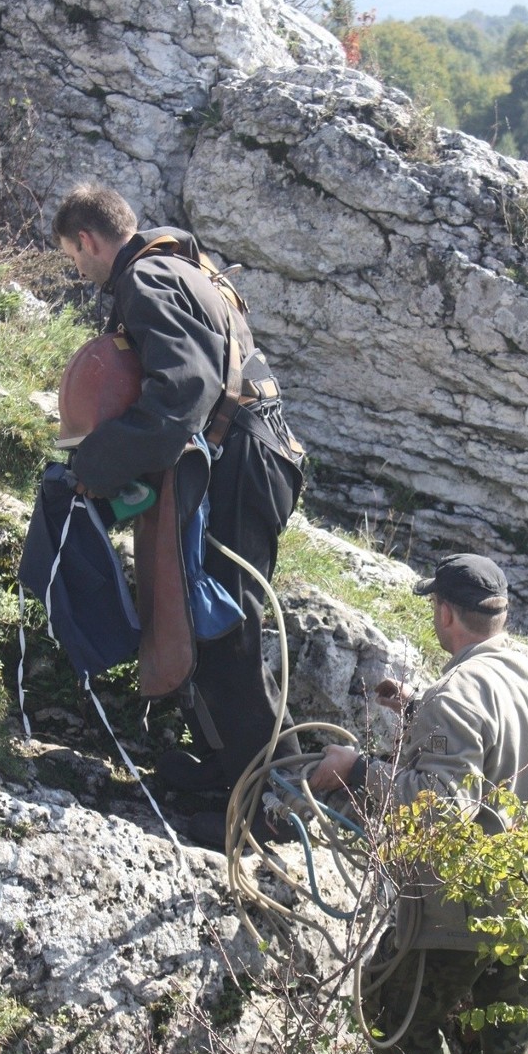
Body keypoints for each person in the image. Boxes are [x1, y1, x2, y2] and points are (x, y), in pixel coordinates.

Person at [52, 184, 304, 851]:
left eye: (74, 259)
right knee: (210, 617)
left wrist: (94, 461)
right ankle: (227, 775)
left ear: (88, 241)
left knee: (224, 625)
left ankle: (256, 811)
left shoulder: (147, 280)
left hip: (243, 460)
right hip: (250, 453)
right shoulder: (176, 266)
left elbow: (181, 394)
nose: (79, 273)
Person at [310, 553, 528, 1054]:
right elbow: (496, 740)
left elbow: (438, 811)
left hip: (463, 914)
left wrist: (353, 770)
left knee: (387, 1015)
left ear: (445, 614)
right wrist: (419, 712)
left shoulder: (459, 692)